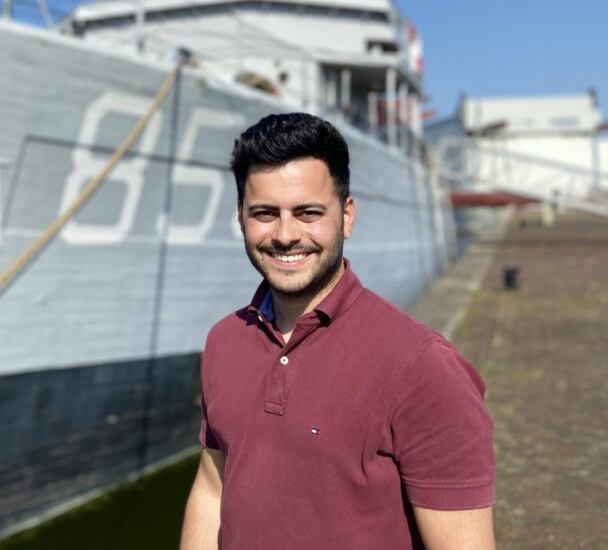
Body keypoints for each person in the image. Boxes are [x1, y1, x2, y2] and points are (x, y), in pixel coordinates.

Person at [180, 113, 495, 550]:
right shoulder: (224, 340)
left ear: (347, 216)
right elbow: (213, 489)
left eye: (308, 213)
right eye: (265, 214)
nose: (286, 235)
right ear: (241, 217)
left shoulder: (422, 366)